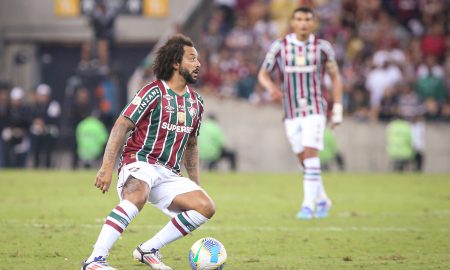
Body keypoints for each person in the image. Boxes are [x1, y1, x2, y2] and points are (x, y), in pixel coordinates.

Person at [81, 34, 214, 270]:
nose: (198, 64)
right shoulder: (153, 92)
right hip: (139, 162)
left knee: (205, 207)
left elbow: (191, 145)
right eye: (192, 58)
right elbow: (121, 125)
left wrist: (195, 184)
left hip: (169, 173)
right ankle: (95, 260)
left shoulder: (196, 102)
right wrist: (106, 168)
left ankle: (148, 250)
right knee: (137, 196)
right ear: (175, 63)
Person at [258, 6, 343, 220]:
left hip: (315, 108)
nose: (303, 23)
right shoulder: (280, 46)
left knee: (311, 155)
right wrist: (271, 89)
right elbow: (263, 74)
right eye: (299, 19)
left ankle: (308, 206)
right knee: (303, 160)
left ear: (313, 23)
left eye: (307, 19)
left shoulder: (323, 48)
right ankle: (323, 199)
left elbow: (335, 78)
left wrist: (338, 108)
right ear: (292, 23)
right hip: (290, 111)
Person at [29, 84, 61, 168]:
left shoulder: (53, 105)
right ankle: (36, 166)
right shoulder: (35, 106)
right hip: (38, 132)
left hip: (49, 131)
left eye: (45, 95)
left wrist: (43, 122)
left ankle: (48, 167)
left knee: (48, 151)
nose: (43, 98)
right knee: (36, 149)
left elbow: (53, 119)